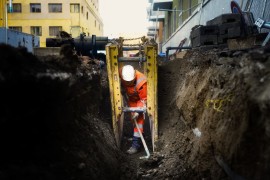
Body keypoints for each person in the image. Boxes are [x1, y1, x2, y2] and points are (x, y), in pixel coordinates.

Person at [119, 65, 147, 154]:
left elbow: (144, 99)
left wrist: (138, 111)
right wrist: (121, 87)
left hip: (139, 100)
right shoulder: (121, 72)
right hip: (131, 99)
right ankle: (138, 136)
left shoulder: (142, 82)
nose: (127, 83)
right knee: (133, 120)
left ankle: (136, 145)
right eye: (126, 82)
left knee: (138, 122)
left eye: (130, 82)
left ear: (134, 77)